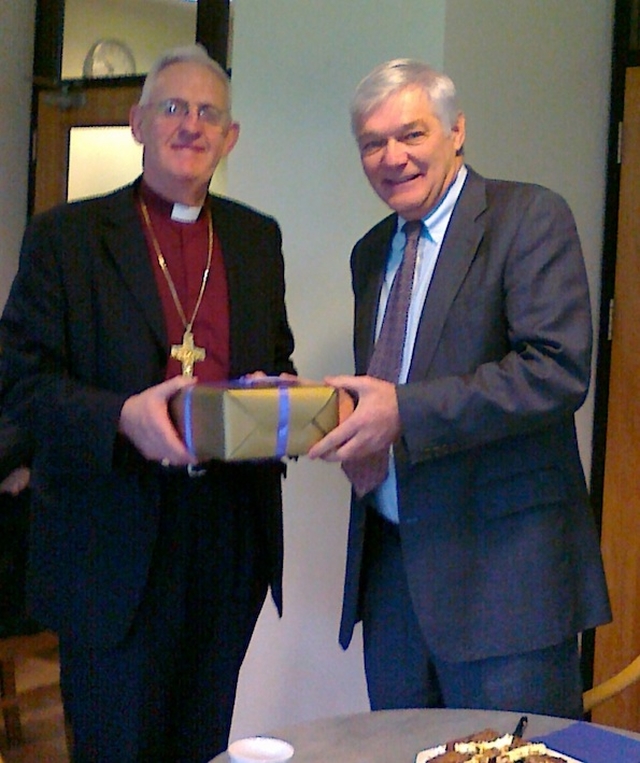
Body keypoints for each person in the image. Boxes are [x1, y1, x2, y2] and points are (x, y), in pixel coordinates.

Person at [0, 44, 295, 762]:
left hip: (228, 532)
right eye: (173, 108)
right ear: (137, 123)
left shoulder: (256, 238)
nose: (190, 125)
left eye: (208, 113)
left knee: (203, 742)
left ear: (230, 136)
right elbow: (20, 379)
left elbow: (274, 357)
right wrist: (120, 418)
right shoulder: (65, 238)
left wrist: (280, 394)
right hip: (112, 531)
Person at [308, 58, 610, 718]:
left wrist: (402, 412)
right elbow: (391, 385)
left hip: (505, 585)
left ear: (456, 130)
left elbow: (555, 370)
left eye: (411, 134)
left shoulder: (527, 216)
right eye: (372, 143)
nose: (393, 157)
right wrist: (312, 412)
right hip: (390, 576)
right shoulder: (370, 251)